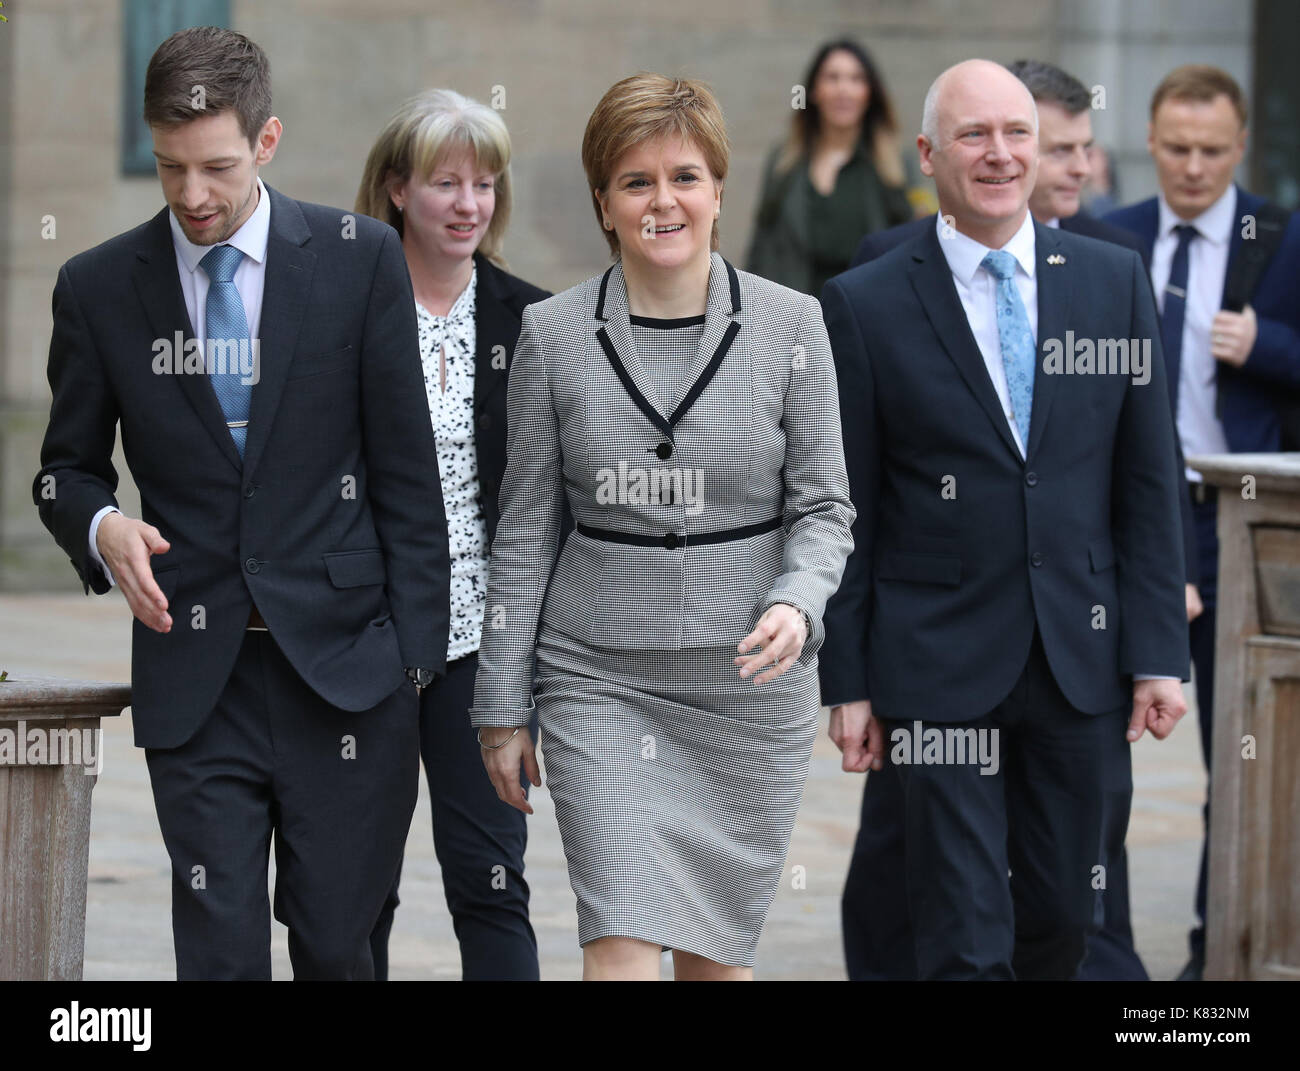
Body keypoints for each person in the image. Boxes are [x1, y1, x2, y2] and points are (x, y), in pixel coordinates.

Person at [31, 27, 449, 980]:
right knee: (218, 955)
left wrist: (412, 668)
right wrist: (101, 525)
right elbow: (65, 471)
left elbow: (408, 479)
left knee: (340, 949)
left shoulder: (359, 259)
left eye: (216, 166)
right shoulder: (96, 286)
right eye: (169, 166)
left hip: (349, 677)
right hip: (195, 677)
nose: (192, 194)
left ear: (267, 141)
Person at [469, 73, 854, 981]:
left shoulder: (794, 324)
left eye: (685, 176)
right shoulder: (551, 333)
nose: (663, 201)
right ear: (604, 203)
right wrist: (500, 705)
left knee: (714, 963)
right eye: (636, 181)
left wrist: (799, 601)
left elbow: (825, 507)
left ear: (719, 190)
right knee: (621, 938)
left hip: (747, 684)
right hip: (599, 676)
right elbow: (525, 529)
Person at [820, 59, 1189, 980]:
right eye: (974, 135)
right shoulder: (866, 300)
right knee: (963, 933)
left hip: (1081, 659)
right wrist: (848, 681)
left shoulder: (1112, 281)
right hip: (937, 665)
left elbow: (1146, 482)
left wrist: (1158, 653)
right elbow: (849, 507)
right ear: (928, 154)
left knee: (1065, 917)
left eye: (1017, 133)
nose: (1000, 154)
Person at [1105, 64, 1300, 981]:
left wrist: (1268, 345)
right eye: (1177, 148)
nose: (1193, 167)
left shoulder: (1284, 237)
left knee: (1245, 754)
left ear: (1241, 147)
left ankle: (1213, 954)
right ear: (1150, 141)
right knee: (1092, 752)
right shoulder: (1110, 236)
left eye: (1213, 151)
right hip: (1128, 526)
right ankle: (1094, 953)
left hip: (1239, 520)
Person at [354, 88, 551, 981]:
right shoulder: (346, 311)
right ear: (398, 189)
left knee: (492, 879)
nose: (470, 204)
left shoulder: (532, 320)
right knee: (355, 890)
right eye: (446, 183)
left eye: (485, 183)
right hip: (366, 639)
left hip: (483, 644)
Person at [746, 39, 913, 295]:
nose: (843, 90)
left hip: (868, 311)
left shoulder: (895, 166)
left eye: (856, 79)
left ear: (870, 93)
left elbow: (911, 249)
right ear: (814, 91)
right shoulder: (784, 162)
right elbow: (761, 247)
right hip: (793, 312)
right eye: (832, 78)